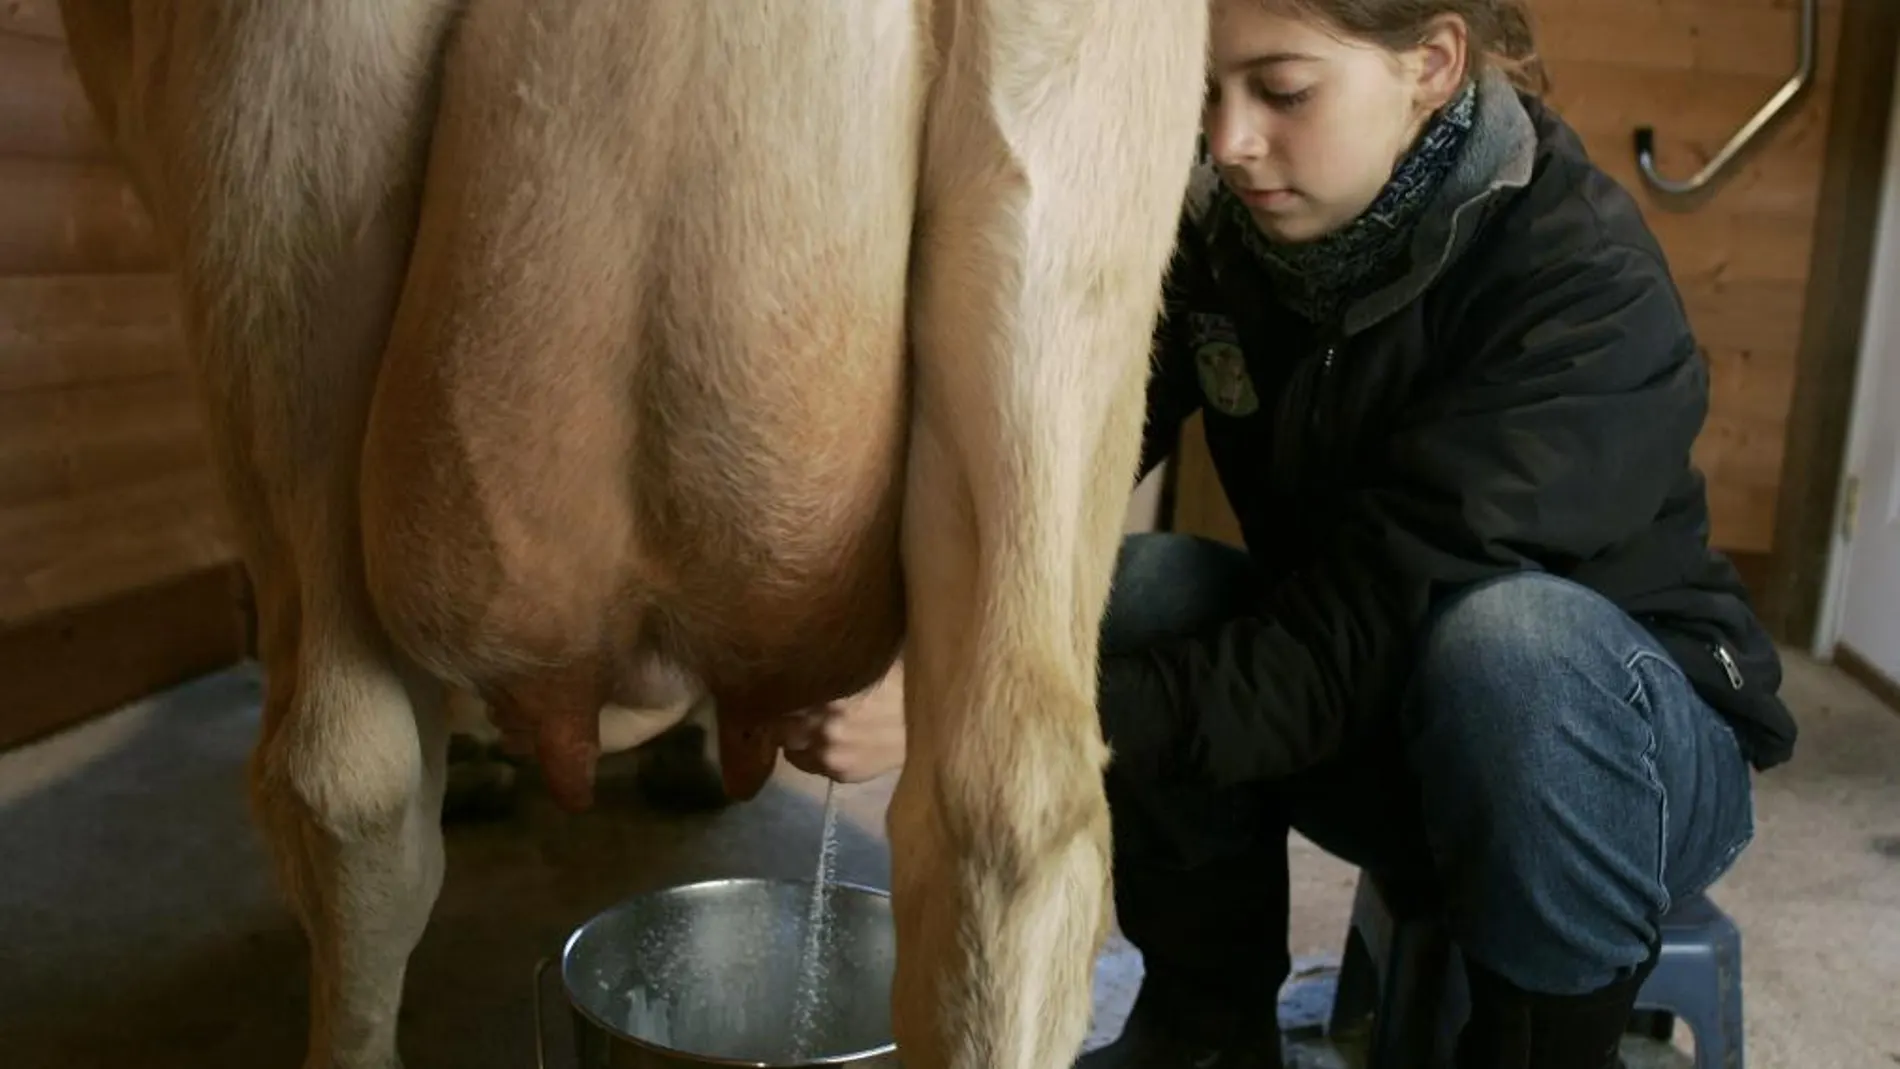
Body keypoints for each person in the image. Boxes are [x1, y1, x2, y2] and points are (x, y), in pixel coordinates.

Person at [777, 1, 1798, 1066]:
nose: (1228, 141)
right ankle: (1202, 1031)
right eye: (1207, 92)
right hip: (1384, 719)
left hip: (1612, 759)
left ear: (1431, 66)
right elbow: (1059, 464)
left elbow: (1343, 646)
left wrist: (964, 714)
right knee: (1143, 594)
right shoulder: (1233, 239)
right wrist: (895, 628)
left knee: (1511, 648)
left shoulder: (1580, 290)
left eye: (1283, 91)